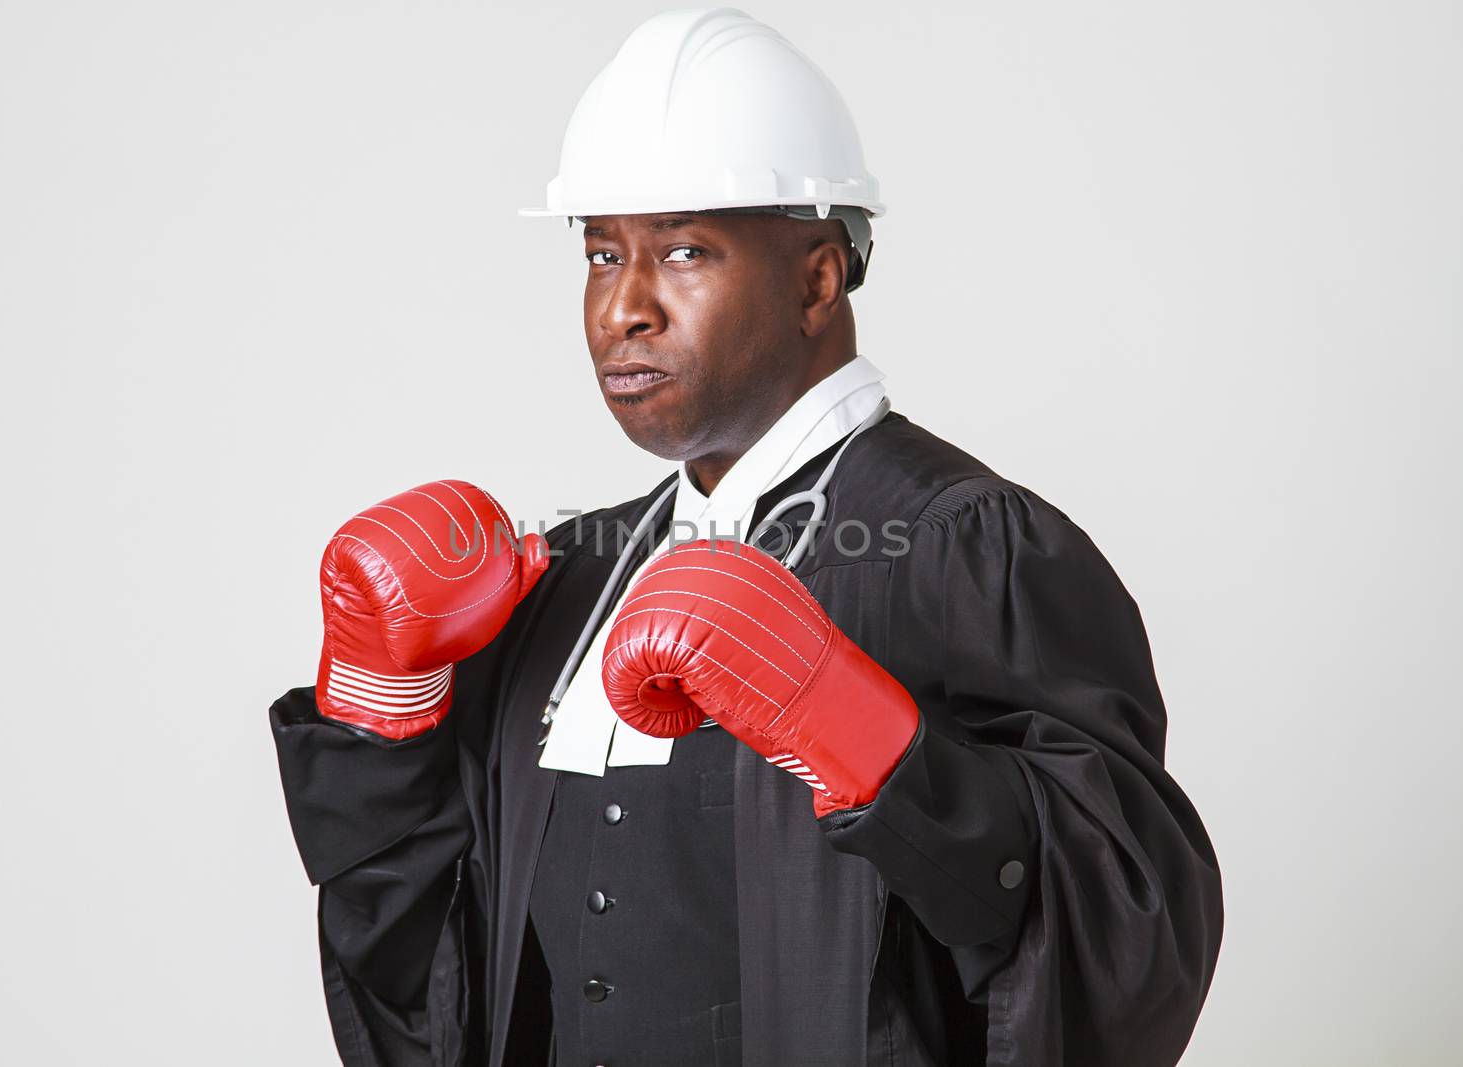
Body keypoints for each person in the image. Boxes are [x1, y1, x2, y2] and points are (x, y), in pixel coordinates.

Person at [270, 9, 1223, 1066]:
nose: (620, 308)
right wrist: (384, 719)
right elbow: (429, 978)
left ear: (818, 277)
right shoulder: (569, 578)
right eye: (598, 253)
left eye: (683, 250)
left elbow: (1126, 942)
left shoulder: (967, 546)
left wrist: (872, 746)